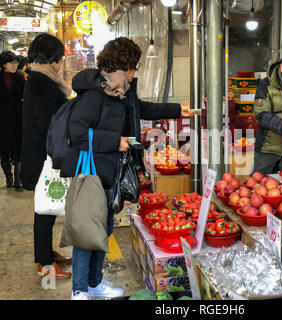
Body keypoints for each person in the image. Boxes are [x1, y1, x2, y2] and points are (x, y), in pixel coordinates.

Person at [59, 37, 194, 300]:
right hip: (91, 172)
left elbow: (141, 109)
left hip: (112, 172)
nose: (135, 73)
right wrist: (114, 140)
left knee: (104, 229)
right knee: (87, 231)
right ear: (123, 66)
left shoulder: (123, 91)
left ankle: (95, 284)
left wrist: (178, 109)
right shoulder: (95, 95)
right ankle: (79, 290)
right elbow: (77, 133)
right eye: (133, 67)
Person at [21, 33, 73, 279]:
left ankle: (47, 254)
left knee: (48, 207)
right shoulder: (40, 82)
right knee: (45, 209)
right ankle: (44, 263)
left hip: (42, 154)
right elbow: (48, 121)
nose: (60, 64)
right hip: (43, 156)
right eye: (60, 59)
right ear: (52, 59)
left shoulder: (38, 78)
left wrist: (63, 87)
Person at [0, 51, 25, 191]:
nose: (15, 66)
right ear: (4, 64)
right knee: (3, 150)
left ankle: (18, 181)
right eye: (12, 63)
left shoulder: (20, 78)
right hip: (2, 120)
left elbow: (24, 96)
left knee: (18, 149)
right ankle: (8, 178)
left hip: (17, 118)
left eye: (16, 63)